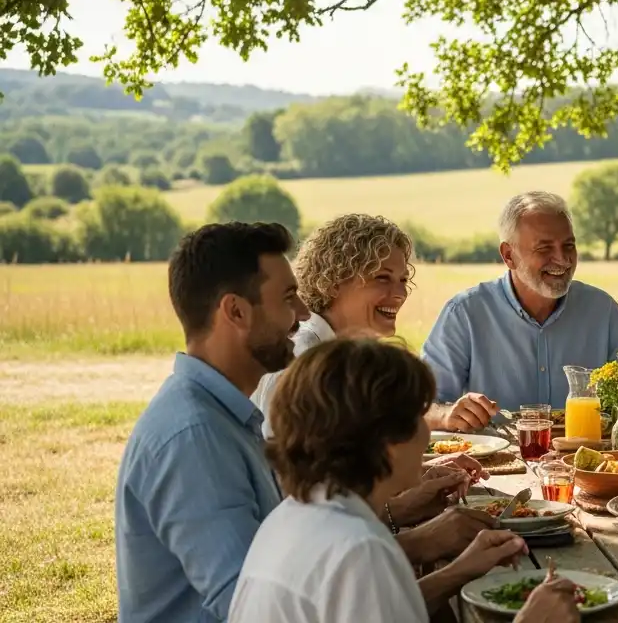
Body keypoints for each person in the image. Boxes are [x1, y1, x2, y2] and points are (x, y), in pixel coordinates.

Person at [230, 339, 579, 622]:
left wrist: (460, 571)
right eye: (418, 418)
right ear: (387, 442)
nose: (427, 434)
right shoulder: (360, 550)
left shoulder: (295, 516)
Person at [116, 223, 308, 622]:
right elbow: (255, 608)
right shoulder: (195, 437)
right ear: (236, 311)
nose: (303, 314)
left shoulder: (221, 414)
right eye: (289, 298)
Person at [421, 191, 618, 431]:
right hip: (498, 455)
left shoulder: (603, 310)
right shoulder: (464, 313)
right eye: (544, 248)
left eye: (568, 246)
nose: (562, 259)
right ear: (508, 255)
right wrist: (445, 415)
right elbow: (418, 408)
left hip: (587, 453)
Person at [251, 213, 415, 435]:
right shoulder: (301, 359)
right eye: (382, 278)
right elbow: (283, 456)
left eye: (403, 280)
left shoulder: (353, 359)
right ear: (333, 282)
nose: (400, 293)